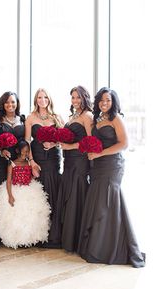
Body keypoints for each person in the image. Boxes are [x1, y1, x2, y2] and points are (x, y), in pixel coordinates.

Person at [78, 87, 145, 268]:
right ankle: (100, 245)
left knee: (108, 202)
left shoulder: (116, 118)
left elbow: (124, 144)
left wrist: (99, 154)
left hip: (112, 165)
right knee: (99, 201)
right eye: (101, 100)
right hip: (98, 166)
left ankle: (113, 248)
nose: (104, 103)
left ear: (113, 101)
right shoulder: (97, 120)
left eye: (108, 100)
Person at [25, 88, 64, 248]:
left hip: (53, 158)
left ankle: (55, 234)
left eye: (45, 97)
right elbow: (27, 142)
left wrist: (54, 143)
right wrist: (31, 162)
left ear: (49, 99)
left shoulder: (56, 117)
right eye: (39, 97)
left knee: (53, 190)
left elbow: (64, 140)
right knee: (40, 193)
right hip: (38, 158)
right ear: (36, 100)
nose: (42, 100)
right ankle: (40, 233)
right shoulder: (30, 118)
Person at [56, 86, 93, 253]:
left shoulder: (87, 116)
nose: (75, 101)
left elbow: (91, 142)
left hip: (80, 162)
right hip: (68, 161)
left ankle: (77, 239)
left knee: (77, 195)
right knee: (69, 196)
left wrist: (70, 146)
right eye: (73, 98)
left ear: (85, 98)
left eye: (78, 97)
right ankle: (69, 238)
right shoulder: (72, 117)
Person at [0, 140, 51, 249]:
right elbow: (9, 181)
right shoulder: (12, 164)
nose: (25, 154)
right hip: (16, 190)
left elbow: (32, 176)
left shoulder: (29, 163)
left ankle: (28, 239)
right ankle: (17, 239)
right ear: (18, 151)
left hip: (28, 189)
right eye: (24, 151)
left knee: (30, 214)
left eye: (27, 152)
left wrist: (35, 172)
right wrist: (10, 195)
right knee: (16, 215)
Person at [0, 91, 25, 192]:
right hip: (1, 160)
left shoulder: (23, 119)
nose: (10, 105)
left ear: (17, 103)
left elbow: (27, 140)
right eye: (7, 102)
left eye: (13, 102)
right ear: (3, 104)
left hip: (19, 160)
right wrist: (1, 151)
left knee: (18, 190)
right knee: (2, 189)